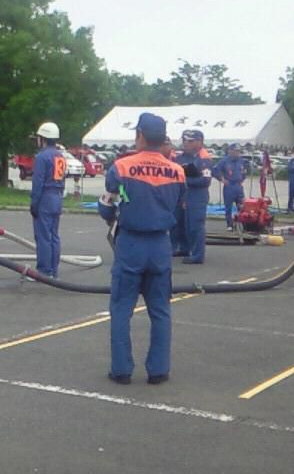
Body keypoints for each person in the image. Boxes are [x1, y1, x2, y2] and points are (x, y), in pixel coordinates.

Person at [98, 113, 186, 385]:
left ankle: (121, 370)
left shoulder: (122, 167)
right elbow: (179, 206)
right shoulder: (177, 171)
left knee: (121, 309)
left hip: (131, 243)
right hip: (160, 244)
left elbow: (107, 205)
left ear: (140, 136)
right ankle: (158, 370)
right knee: (160, 310)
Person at [30, 121, 66, 279]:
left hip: (45, 198)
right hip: (57, 197)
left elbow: (38, 182)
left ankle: (44, 272)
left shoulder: (41, 157)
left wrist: (34, 203)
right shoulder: (60, 156)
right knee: (54, 236)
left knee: (43, 236)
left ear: (42, 138)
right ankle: (53, 270)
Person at [171, 129, 212, 264]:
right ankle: (184, 248)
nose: (186, 143)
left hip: (197, 196)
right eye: (184, 140)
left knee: (195, 226)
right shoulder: (179, 158)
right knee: (181, 224)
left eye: (189, 141)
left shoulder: (204, 159)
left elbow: (205, 181)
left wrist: (184, 180)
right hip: (182, 195)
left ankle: (197, 255)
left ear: (199, 142)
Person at [213, 144, 248, 231]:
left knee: (242, 206)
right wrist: (222, 179)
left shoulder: (241, 161)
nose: (237, 153)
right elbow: (215, 170)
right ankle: (230, 225)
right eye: (235, 151)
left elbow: (244, 171)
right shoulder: (224, 161)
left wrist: (242, 179)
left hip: (238, 186)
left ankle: (243, 224)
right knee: (228, 207)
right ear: (230, 151)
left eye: (238, 151)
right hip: (229, 186)